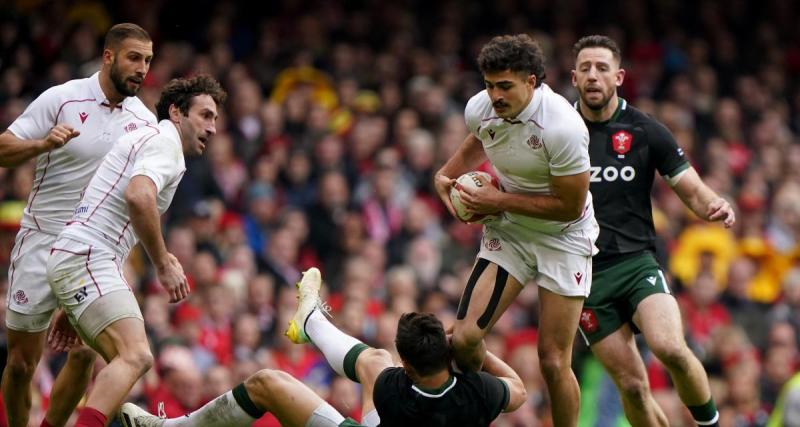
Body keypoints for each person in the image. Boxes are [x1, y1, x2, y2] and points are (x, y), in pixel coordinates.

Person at [117, 267, 527, 427]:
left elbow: (374, 368)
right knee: (374, 360)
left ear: (409, 367)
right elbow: (519, 389)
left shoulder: (392, 391)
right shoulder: (480, 393)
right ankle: (310, 320)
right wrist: (478, 353)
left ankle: (311, 320)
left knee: (266, 384)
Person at [571, 35, 735, 427]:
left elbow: (691, 188)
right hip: (585, 277)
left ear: (619, 77)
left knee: (670, 347)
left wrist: (714, 203)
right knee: (632, 386)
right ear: (574, 77)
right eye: (585, 68)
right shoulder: (559, 132)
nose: (593, 76)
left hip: (636, 263)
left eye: (602, 68)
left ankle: (709, 424)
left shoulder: (645, 130)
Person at [45, 74, 226, 427]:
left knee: (84, 352)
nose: (213, 127)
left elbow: (110, 205)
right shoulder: (165, 143)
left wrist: (73, 303)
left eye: (216, 119)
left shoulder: (146, 138)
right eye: (205, 115)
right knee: (137, 355)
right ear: (176, 112)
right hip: (88, 256)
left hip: (79, 254)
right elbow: (138, 197)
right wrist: (163, 263)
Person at [433, 34, 596, 426]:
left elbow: (569, 206)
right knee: (466, 339)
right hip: (511, 232)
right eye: (489, 85)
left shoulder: (563, 128)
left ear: (532, 82)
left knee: (554, 361)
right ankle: (489, 400)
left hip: (564, 239)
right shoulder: (481, 108)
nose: (495, 95)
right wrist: (447, 174)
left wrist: (497, 202)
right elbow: (480, 136)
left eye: (505, 86)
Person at [0, 23, 156, 427]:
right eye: (134, 58)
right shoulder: (63, 98)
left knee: (86, 353)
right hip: (41, 238)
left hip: (92, 250)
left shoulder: (144, 123)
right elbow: (3, 147)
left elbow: (132, 207)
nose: (142, 69)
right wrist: (42, 145)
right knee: (20, 363)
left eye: (148, 61)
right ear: (109, 57)